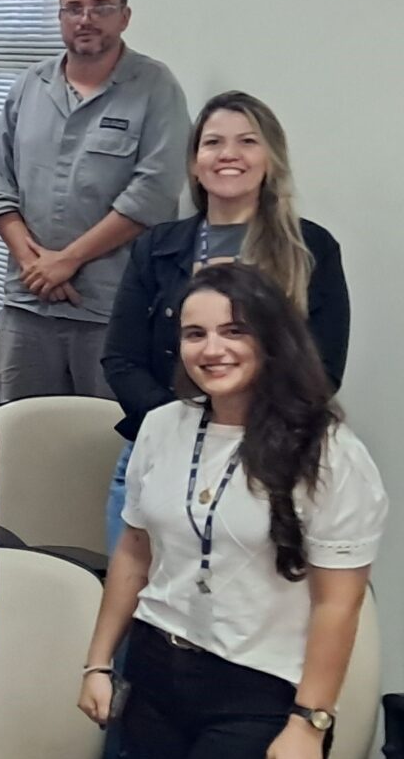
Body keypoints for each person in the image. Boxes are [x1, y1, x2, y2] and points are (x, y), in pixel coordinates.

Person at [79, 263, 384, 759]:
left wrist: (308, 723)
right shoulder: (163, 425)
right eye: (195, 334)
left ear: (272, 338)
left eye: (234, 330)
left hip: (257, 691)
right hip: (155, 673)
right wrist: (99, 662)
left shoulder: (328, 451)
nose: (211, 349)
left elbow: (339, 605)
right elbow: (133, 553)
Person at [102, 91, 349, 549]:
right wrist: (188, 427)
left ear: (270, 159)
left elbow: (323, 370)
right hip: (160, 456)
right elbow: (121, 360)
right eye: (213, 143)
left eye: (247, 142)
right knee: (136, 609)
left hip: (267, 463)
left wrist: (233, 430)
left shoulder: (312, 250)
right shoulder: (157, 247)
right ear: (195, 164)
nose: (228, 154)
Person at [0, 0, 191, 399]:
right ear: (60, 18)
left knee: (100, 442)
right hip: (27, 305)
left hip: (111, 310)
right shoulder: (29, 85)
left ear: (125, 17)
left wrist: (68, 260)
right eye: (73, 8)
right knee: (21, 438)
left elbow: (153, 191)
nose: (85, 19)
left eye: (100, 7)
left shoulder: (155, 87)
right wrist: (33, 263)